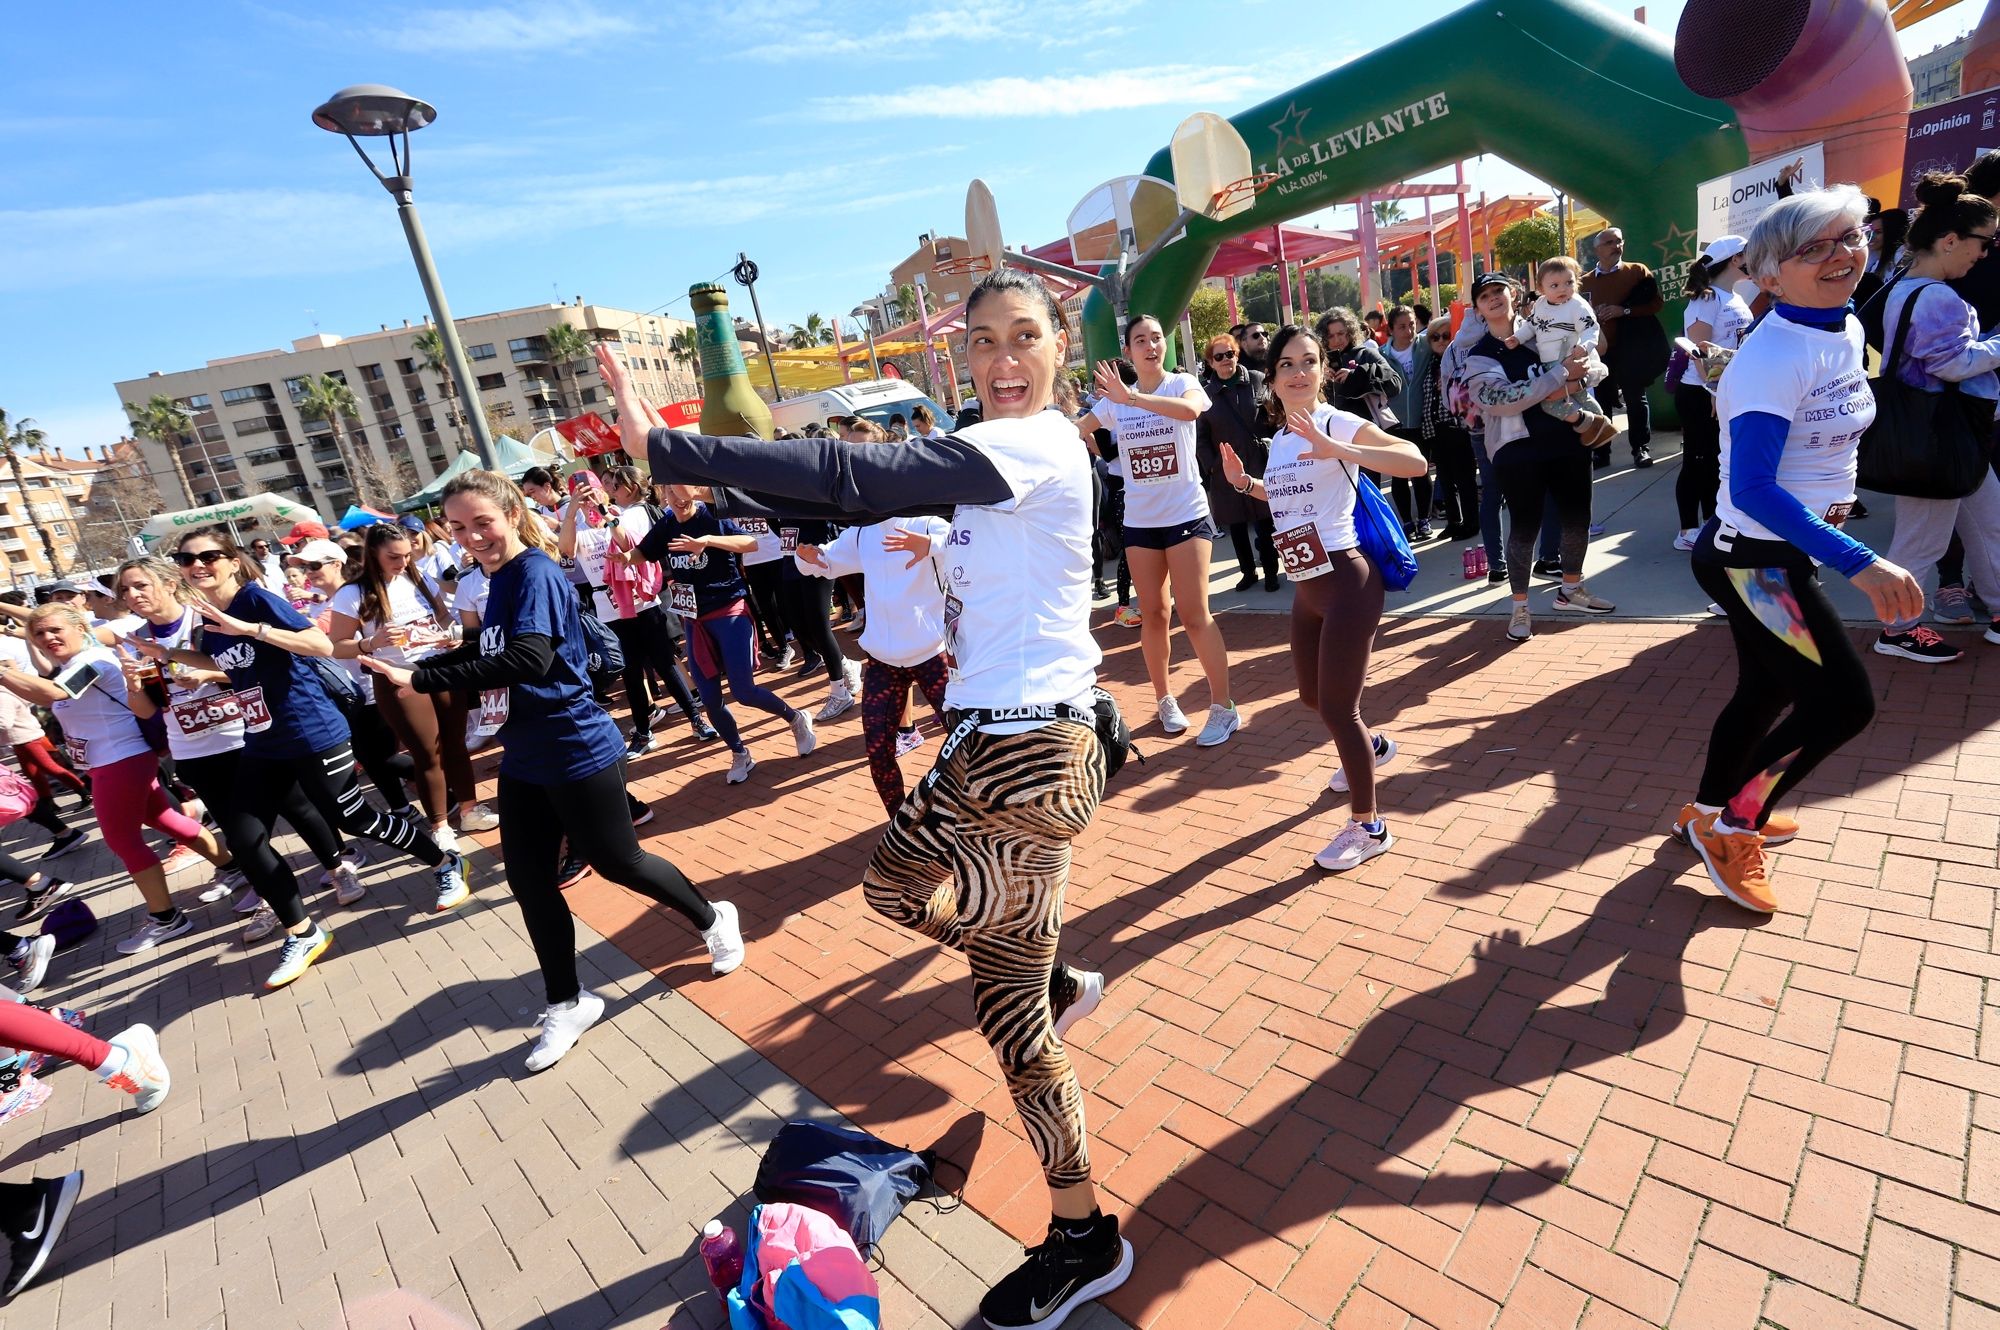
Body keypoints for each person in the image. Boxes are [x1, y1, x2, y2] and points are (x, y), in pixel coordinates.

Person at [599, 267, 1133, 1330]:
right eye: (982, 341)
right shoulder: (988, 468)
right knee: (889, 886)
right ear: (960, 357)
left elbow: (851, 470)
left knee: (1010, 1021)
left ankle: (1084, 1236)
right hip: (984, 746)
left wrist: (672, 448)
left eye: (1024, 336)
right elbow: (836, 500)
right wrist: (704, 503)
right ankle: (1052, 971)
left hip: (1032, 759)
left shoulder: (1036, 442)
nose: (1003, 359)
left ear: (1059, 348)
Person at [363, 470, 745, 1073]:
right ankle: (568, 1001)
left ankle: (711, 916)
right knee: (530, 881)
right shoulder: (492, 578)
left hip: (574, 745)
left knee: (621, 862)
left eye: (482, 522)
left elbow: (531, 659)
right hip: (524, 754)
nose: (472, 537)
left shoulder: (533, 572)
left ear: (512, 514)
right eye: (458, 528)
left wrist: (425, 677)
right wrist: (434, 657)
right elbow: (493, 652)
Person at [1677, 185, 1924, 913]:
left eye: (1850, 237)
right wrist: (1861, 560)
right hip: (1753, 563)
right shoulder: (1771, 358)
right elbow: (1752, 489)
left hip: (1781, 555)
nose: (1841, 254)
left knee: (1769, 689)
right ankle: (1733, 827)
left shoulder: (1841, 327)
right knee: (1844, 705)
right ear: (1768, 274)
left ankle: (1707, 810)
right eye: (1812, 248)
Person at [126, 528, 465, 988]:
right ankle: (302, 932)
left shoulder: (256, 601)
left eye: (208, 556)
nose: (197, 565)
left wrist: (252, 629)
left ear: (231, 560)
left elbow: (320, 645)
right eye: (187, 559)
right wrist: (166, 654)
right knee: (245, 839)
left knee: (356, 820)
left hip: (311, 730)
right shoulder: (209, 617)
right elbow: (228, 664)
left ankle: (444, 863)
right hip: (263, 740)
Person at [1216, 325, 1428, 871]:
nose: (1298, 372)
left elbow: (1414, 461)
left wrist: (1341, 447)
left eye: (1309, 362)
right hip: (1306, 587)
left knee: (1338, 707)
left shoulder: (1335, 421)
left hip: (1347, 582)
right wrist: (1246, 484)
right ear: (1273, 376)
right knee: (1312, 698)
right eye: (1287, 363)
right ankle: (1373, 749)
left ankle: (1369, 825)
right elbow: (1290, 497)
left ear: (1323, 371)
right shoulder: (1284, 438)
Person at [114, 556, 364, 939]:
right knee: (241, 833)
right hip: (193, 749)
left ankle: (338, 867)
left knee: (297, 807)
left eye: (140, 585)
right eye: (125, 590)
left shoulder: (207, 617)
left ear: (168, 583)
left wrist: (207, 674)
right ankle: (273, 901)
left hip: (244, 734)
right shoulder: (137, 640)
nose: (132, 595)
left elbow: (255, 666)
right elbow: (149, 706)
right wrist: (134, 686)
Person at [0, 602, 242, 954]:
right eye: (39, 633)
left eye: (56, 630)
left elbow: (54, 695)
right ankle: (233, 867)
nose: (48, 638)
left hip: (121, 760)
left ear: (80, 628)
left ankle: (166, 918)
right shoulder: (71, 664)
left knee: (122, 841)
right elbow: (45, 693)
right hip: (112, 761)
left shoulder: (92, 661)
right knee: (166, 819)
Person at [1078, 315, 1240, 746]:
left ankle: (1223, 707)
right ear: (1128, 350)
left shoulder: (1181, 383)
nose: (1151, 346)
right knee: (1153, 614)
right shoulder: (1113, 402)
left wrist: (1132, 398)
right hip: (1141, 523)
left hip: (1186, 516)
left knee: (1193, 614)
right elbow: (1078, 430)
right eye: (1140, 341)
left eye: (1156, 339)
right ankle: (1165, 699)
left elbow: (1190, 411)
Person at [1869, 172, 2000, 662]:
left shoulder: (1905, 284)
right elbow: (1952, 365)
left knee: (1989, 520)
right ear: (1950, 241)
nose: (1984, 253)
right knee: (1921, 540)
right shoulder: (1938, 296)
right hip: (1941, 436)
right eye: (1984, 241)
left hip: (1945, 433)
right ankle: (1898, 630)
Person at [1460, 272, 1616, 641]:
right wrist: (1559, 377)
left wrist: (1575, 379)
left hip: (1567, 440)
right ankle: (1519, 607)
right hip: (1518, 452)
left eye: (1499, 290)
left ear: (1513, 293)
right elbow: (1500, 400)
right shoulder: (1480, 354)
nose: (1494, 298)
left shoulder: (1544, 328)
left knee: (1577, 518)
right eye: (1485, 296)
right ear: (1478, 308)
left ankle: (1571, 590)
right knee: (1525, 529)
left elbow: (1595, 363)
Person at [636, 484, 818, 785]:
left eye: (683, 492)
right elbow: (640, 552)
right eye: (671, 493)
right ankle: (740, 752)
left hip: (729, 611)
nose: (678, 499)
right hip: (695, 620)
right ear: (663, 495)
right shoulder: (666, 524)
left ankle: (796, 719)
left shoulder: (712, 515)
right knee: (709, 699)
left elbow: (750, 543)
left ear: (694, 491)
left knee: (743, 691)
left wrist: (708, 540)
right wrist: (620, 555)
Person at [327, 523, 494, 847]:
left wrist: (450, 636)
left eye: (407, 554)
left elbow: (443, 618)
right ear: (372, 552)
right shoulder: (353, 592)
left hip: (441, 667)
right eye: (394, 556)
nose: (403, 562)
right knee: (427, 752)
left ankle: (470, 809)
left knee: (455, 743)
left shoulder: (418, 577)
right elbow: (336, 645)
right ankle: (440, 826)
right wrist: (370, 642)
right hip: (395, 676)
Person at [795, 509, 952, 814]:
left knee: (968, 742)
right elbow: (829, 559)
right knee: (878, 751)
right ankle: (900, 822)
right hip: (882, 660)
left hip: (931, 654)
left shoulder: (927, 521)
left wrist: (932, 544)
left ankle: (977, 813)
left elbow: (964, 544)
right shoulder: (862, 532)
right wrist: (810, 558)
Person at [560, 468, 715, 752]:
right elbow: (566, 551)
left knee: (665, 662)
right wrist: (572, 511)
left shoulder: (624, 514)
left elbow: (625, 542)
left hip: (642, 599)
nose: (587, 498)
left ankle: (696, 718)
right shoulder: (577, 527)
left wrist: (603, 511)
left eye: (596, 488)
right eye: (579, 494)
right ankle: (643, 733)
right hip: (609, 607)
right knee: (631, 672)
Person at [1674, 236, 1756, 551]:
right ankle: (1687, 530)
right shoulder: (1707, 299)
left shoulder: (1731, 296)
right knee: (1697, 460)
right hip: (1700, 394)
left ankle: (1712, 523)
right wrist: (1713, 389)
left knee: (1715, 461)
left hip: (1723, 392)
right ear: (1735, 259)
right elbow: (1698, 352)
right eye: (1747, 254)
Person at [1194, 333, 1279, 591]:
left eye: (1229, 354)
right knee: (1238, 525)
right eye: (1218, 356)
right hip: (1225, 471)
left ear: (1236, 354)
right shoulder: (1205, 395)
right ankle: (1248, 572)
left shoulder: (1256, 380)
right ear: (1210, 362)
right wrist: (1213, 465)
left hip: (1258, 464)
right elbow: (1200, 438)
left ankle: (1272, 571)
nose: (1225, 360)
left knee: (1265, 523)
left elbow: (1273, 416)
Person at [1580, 226, 1667, 468]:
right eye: (1609, 242)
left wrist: (1624, 310)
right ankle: (1602, 452)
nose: (1616, 246)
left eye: (1619, 241)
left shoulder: (1637, 271)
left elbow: (1655, 304)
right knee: (1602, 402)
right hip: (1601, 349)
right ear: (1597, 249)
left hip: (1632, 348)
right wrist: (1593, 317)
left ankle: (1640, 448)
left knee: (1635, 398)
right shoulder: (1584, 282)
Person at [1521, 258, 1619, 446]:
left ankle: (1590, 423)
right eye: (1555, 285)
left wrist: (1585, 346)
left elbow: (1591, 330)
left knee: (1551, 402)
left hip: (1572, 360)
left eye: (1569, 282)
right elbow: (1531, 325)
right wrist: (1517, 338)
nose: (1562, 289)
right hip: (1552, 363)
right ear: (1541, 288)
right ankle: (1599, 424)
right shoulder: (1541, 305)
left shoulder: (1577, 304)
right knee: (1575, 397)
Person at [1377, 305, 1438, 539]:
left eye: (1412, 324)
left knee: (1421, 472)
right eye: (1402, 326)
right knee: (1399, 476)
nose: (1409, 330)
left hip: (1422, 421)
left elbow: (1447, 327)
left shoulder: (1425, 345)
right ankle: (1406, 522)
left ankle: (1424, 519)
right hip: (1395, 425)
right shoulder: (1382, 355)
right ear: (1391, 329)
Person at [1417, 317, 1480, 541]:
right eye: (1435, 337)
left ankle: (1472, 522)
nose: (1441, 340)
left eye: (1446, 335)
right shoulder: (1429, 365)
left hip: (1458, 425)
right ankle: (1454, 521)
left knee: (1464, 477)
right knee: (1444, 478)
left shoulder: (1460, 361)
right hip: (1435, 429)